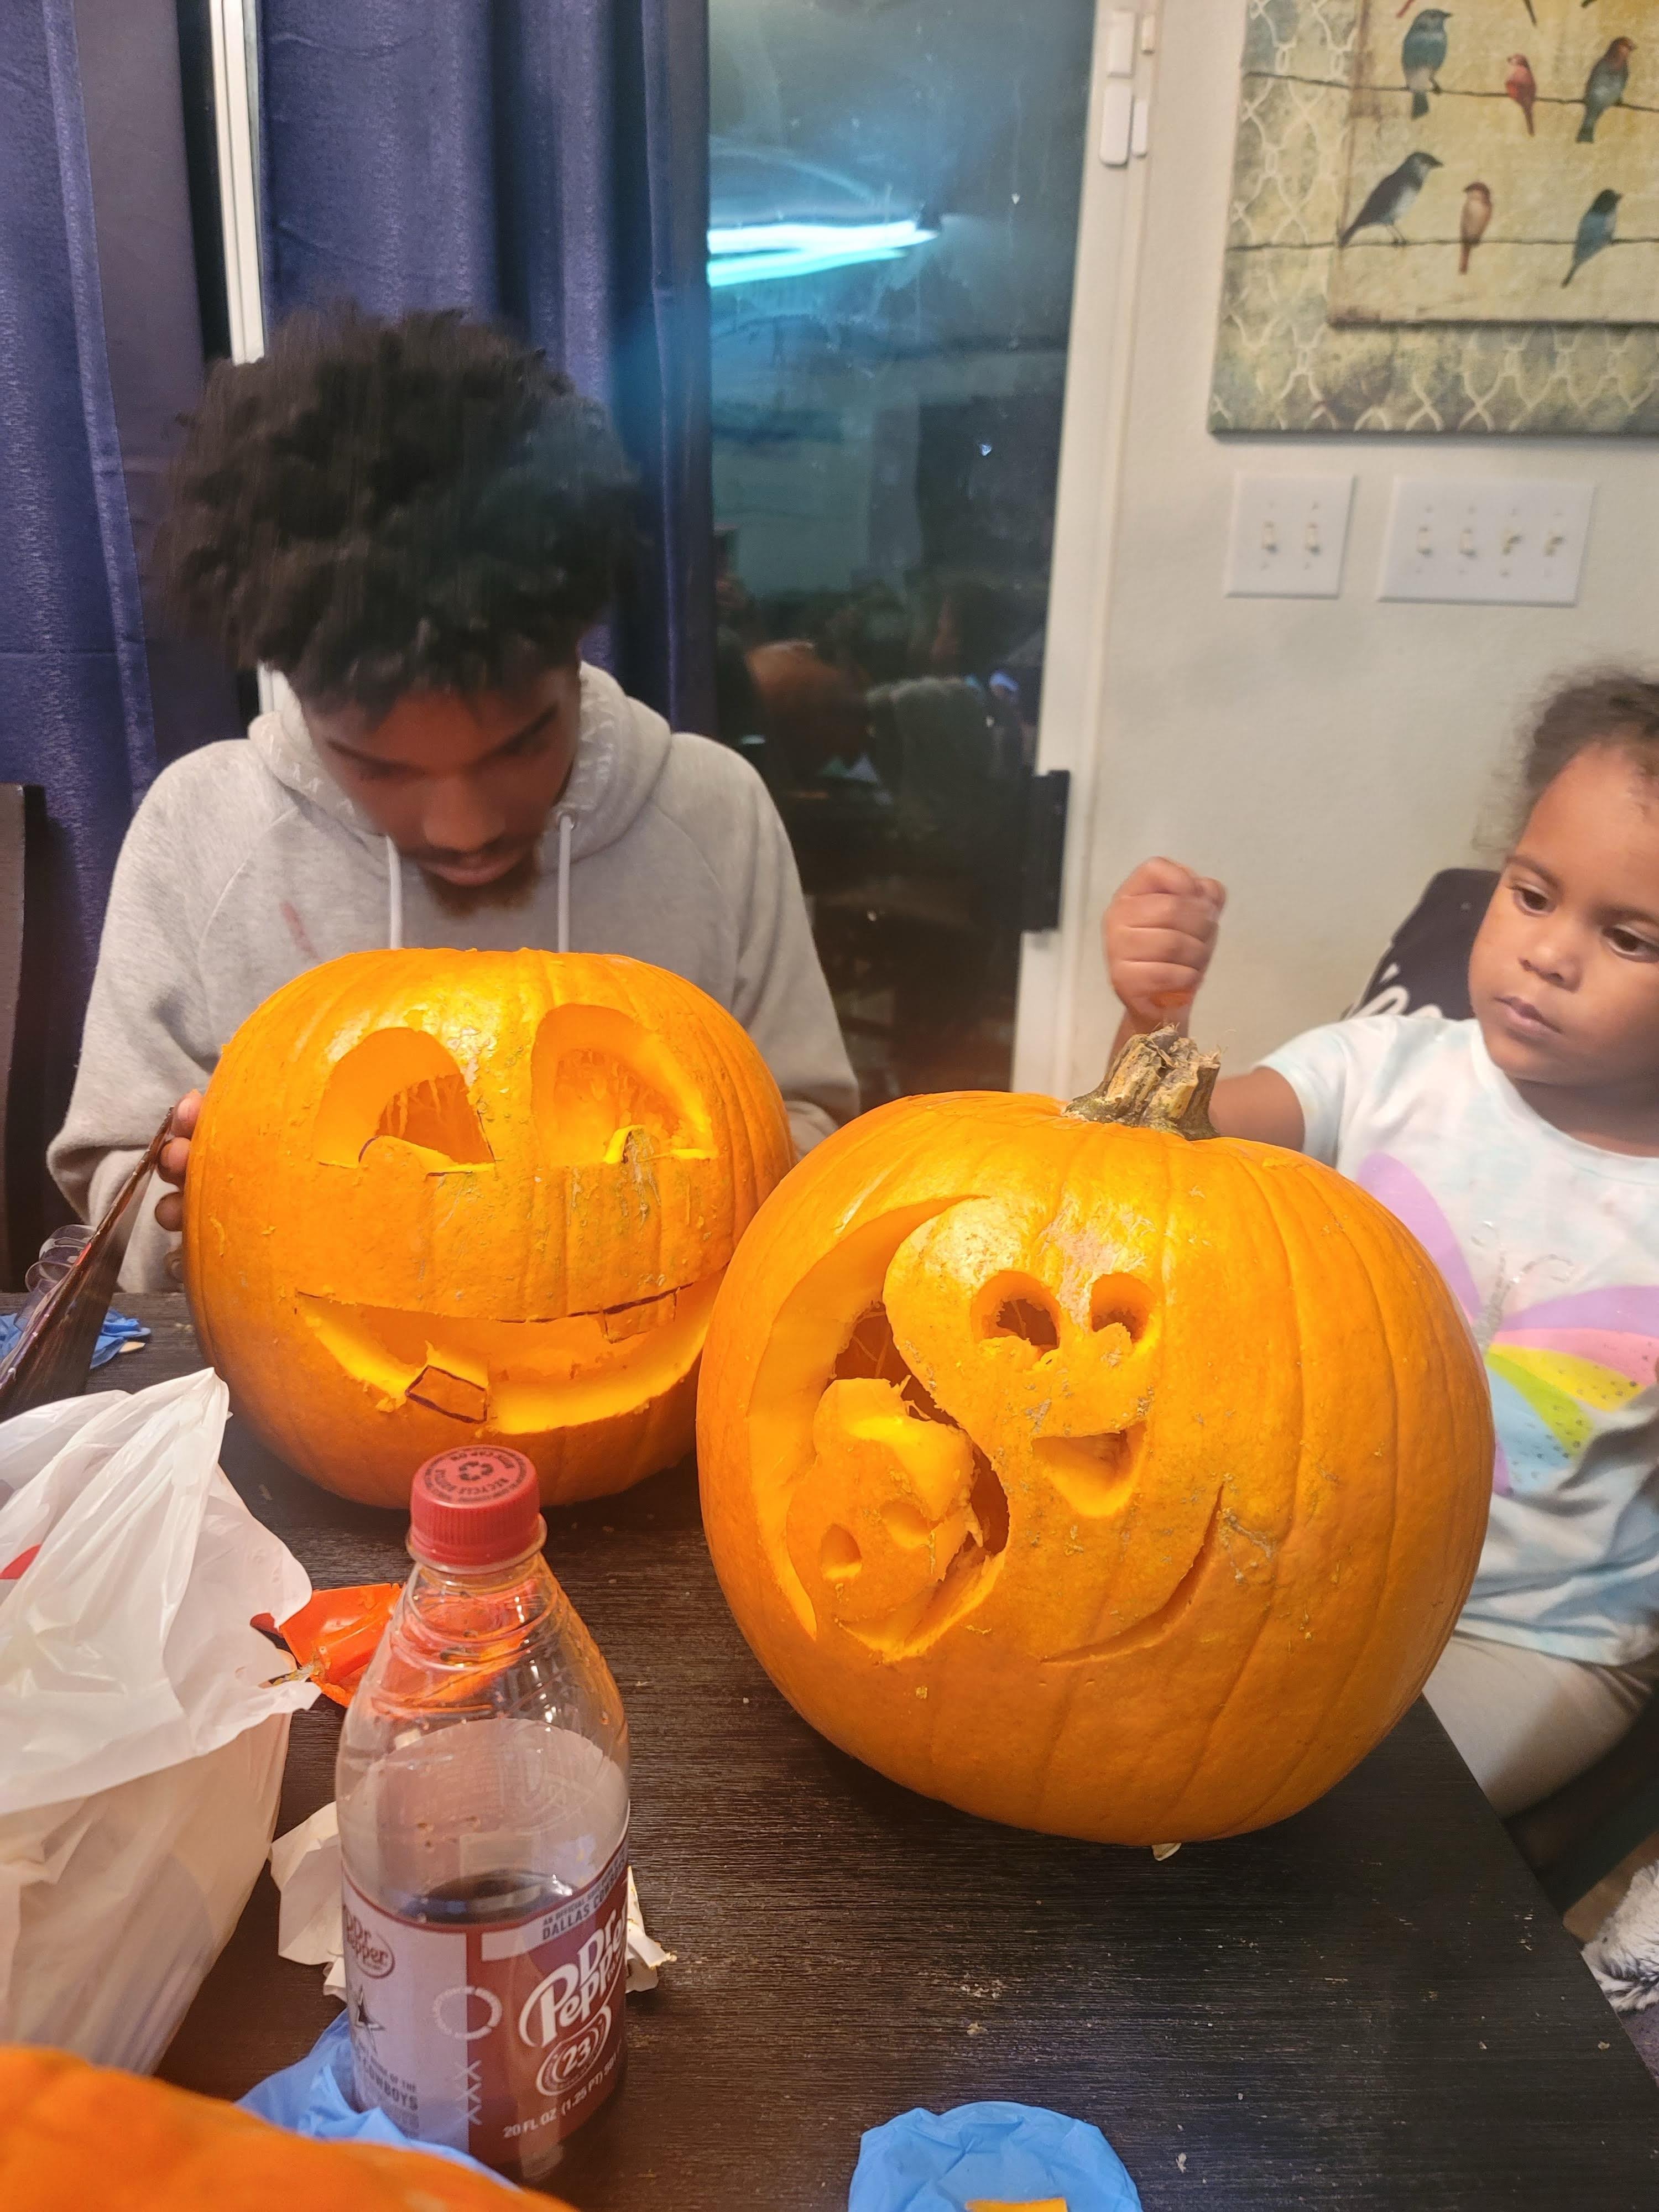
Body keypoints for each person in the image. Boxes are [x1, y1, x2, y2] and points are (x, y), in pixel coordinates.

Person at [49, 306, 857, 1288]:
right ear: (298, 696)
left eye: (523, 744)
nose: (465, 828)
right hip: (291, 1396)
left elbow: (814, 1136)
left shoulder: (714, 811)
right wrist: (182, 1202)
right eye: (380, 768)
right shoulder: (200, 830)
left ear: (574, 657)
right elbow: (111, 1192)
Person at [1101, 672, 1659, 1819]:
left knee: (1358, 1825)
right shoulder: (1383, 1068)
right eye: (1534, 892)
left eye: (1630, 935)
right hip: (1315, 1566)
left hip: (1536, 1637)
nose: (1551, 953)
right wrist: (1151, 1016)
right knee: (1134, 1731)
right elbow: (1158, 1141)